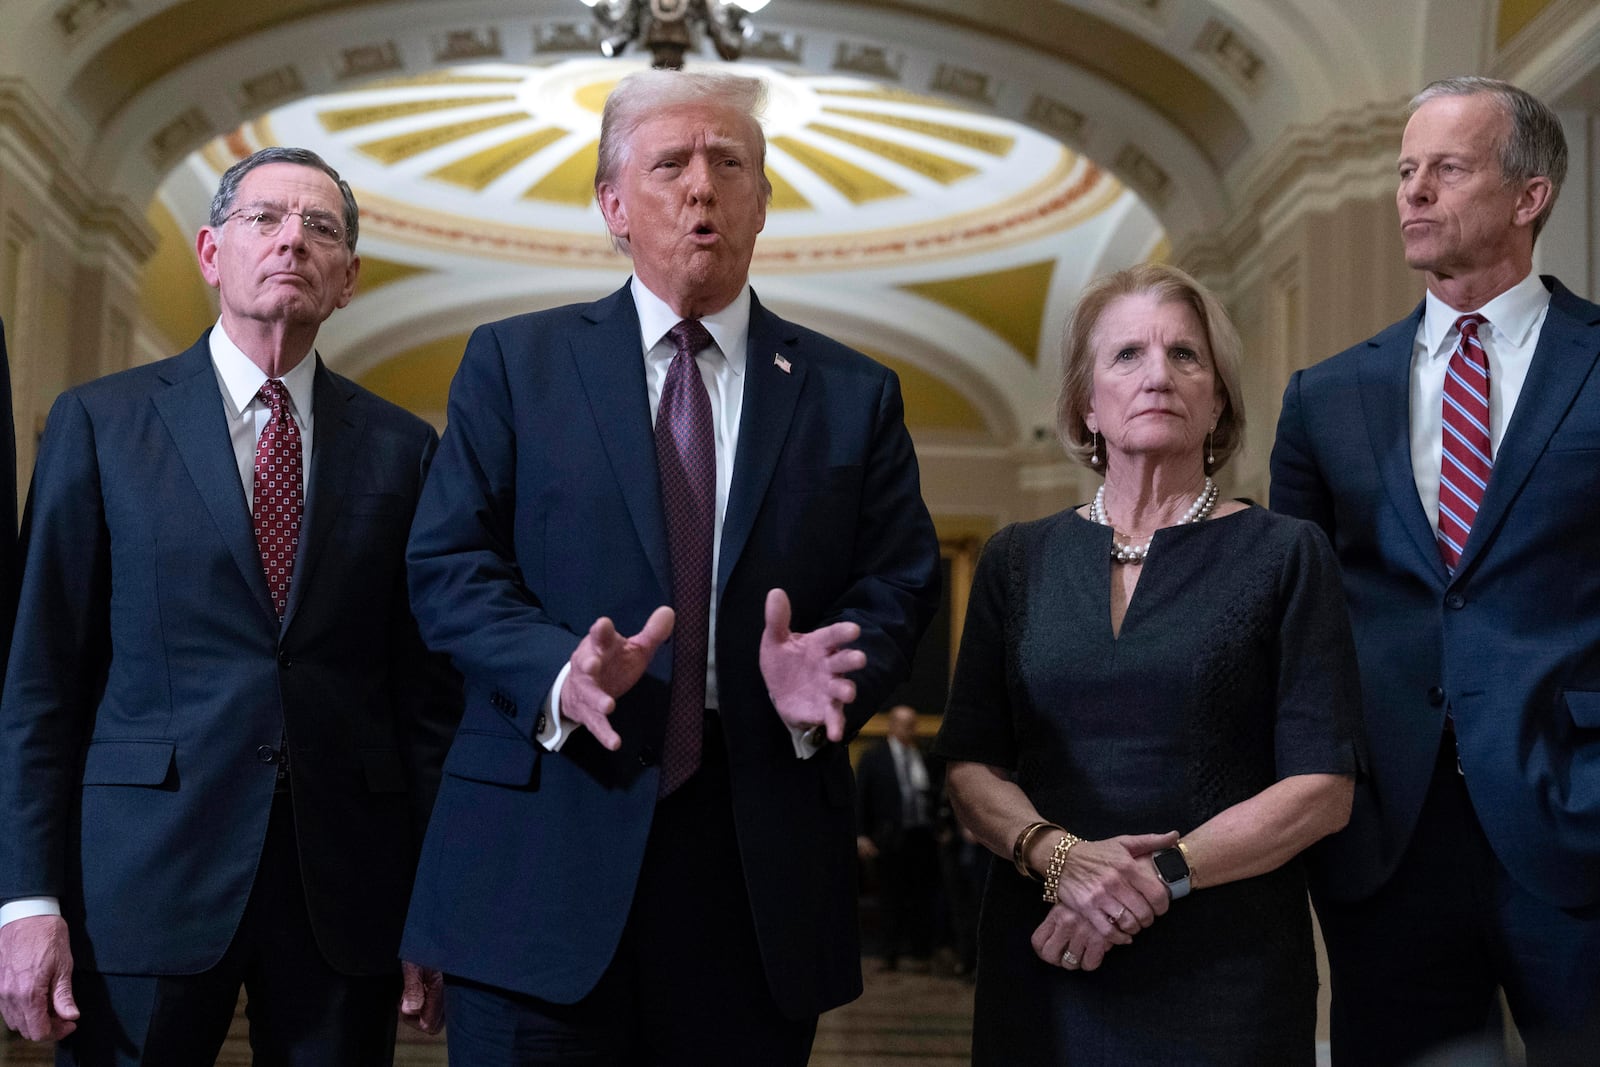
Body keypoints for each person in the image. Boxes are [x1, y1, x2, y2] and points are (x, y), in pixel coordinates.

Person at [400, 69, 940, 1064]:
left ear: (762, 203)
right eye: (671, 164)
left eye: (729, 163)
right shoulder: (515, 364)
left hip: (755, 863)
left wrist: (831, 669)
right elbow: (449, 563)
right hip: (540, 851)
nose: (702, 187)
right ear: (614, 206)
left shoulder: (852, 393)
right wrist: (554, 667)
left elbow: (902, 580)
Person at [0, 147, 461, 1065]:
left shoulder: (405, 449)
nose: (293, 239)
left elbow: (425, 703)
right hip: (140, 877)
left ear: (348, 279)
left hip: (347, 888)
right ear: (212, 252)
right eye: (266, 219)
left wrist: (439, 901)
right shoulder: (102, 423)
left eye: (321, 227)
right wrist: (25, 900)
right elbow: (41, 682)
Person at [937, 263, 1362, 1065]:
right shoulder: (1015, 559)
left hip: (1226, 970)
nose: (1158, 374)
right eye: (1127, 354)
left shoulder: (1286, 554)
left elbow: (1321, 790)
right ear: (1084, 404)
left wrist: (1151, 876)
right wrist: (1060, 857)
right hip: (1045, 953)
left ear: (1220, 399)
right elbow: (971, 766)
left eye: (1186, 356)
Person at [1271, 76, 1600, 1064]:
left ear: (1527, 194)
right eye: (1405, 170)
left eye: (1445, 169)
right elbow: (1296, 625)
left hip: (1576, 813)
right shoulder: (1325, 395)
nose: (1411, 192)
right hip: (1386, 840)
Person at [856, 704, 942, 971]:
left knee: (920, 896)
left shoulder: (923, 756)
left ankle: (920, 953)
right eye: (904, 724)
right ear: (892, 725)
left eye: (912, 724)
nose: (910, 729)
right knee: (889, 897)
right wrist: (861, 834)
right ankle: (888, 954)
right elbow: (861, 798)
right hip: (888, 837)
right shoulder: (874, 758)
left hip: (921, 837)